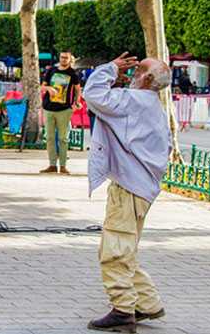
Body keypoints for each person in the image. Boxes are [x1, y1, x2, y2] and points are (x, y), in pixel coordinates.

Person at [84, 53, 171, 333]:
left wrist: (110, 68)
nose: (133, 72)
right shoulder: (151, 105)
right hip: (139, 187)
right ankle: (147, 303)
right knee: (127, 248)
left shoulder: (134, 100)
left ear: (147, 79)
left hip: (129, 187)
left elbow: (93, 94)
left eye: (139, 69)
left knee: (115, 250)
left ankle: (123, 309)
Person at [39, 51, 81, 175]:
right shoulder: (51, 70)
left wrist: (75, 102)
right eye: (62, 57)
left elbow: (78, 89)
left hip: (64, 109)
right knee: (50, 138)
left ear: (70, 59)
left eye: (66, 58)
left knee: (63, 138)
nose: (63, 60)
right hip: (48, 108)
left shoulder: (73, 74)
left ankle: (63, 165)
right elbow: (42, 87)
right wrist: (48, 89)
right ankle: (52, 165)